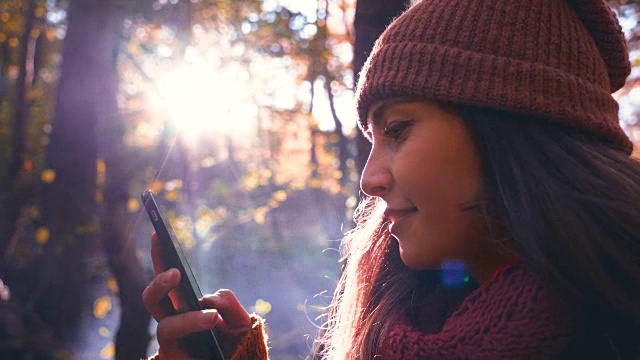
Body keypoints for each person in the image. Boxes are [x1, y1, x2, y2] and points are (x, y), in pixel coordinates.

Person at [142, 0, 640, 358]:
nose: (369, 180)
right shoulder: (393, 327)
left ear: (510, 128)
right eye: (373, 138)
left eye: (397, 129)